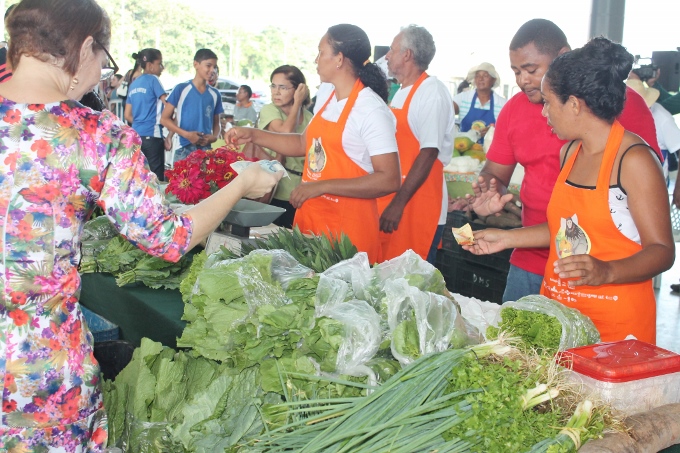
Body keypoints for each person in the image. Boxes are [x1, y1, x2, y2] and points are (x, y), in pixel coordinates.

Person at [0, 0, 281, 449]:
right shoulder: (94, 136)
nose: (101, 75)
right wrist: (242, 182)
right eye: (103, 60)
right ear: (86, 46)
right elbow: (170, 237)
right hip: (42, 374)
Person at [463, 37, 674, 344]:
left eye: (549, 102)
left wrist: (607, 271)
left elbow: (663, 251)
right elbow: (567, 230)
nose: (544, 112)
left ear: (574, 104)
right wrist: (506, 239)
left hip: (615, 325)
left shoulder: (634, 160)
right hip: (561, 313)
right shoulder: (570, 152)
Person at [227, 24, 400, 263]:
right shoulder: (330, 99)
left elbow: (389, 178)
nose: (315, 60)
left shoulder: (370, 109)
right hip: (313, 226)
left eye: (320, 52)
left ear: (339, 58)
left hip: (347, 238)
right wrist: (254, 135)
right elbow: (302, 143)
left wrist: (321, 186)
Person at [379, 25, 455, 264]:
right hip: (398, 203)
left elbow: (429, 152)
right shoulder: (401, 91)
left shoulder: (431, 91)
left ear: (407, 55)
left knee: (414, 286)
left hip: (417, 206)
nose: (387, 57)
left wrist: (398, 204)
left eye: (392, 50)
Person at [257, 65, 314, 228]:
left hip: (302, 190)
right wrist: (297, 103)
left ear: (298, 89)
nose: (276, 92)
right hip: (275, 189)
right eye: (273, 86)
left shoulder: (310, 118)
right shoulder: (269, 110)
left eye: (282, 87)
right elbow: (285, 132)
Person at [161, 48, 223, 163]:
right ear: (196, 64)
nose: (212, 70)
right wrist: (187, 135)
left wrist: (214, 137)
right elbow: (164, 119)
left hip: (205, 150)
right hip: (183, 148)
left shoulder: (215, 94)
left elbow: (216, 123)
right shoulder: (181, 89)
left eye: (214, 67)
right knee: (181, 181)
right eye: (208, 66)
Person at [124, 48, 168, 181]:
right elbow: (167, 103)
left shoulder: (134, 84)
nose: (162, 67)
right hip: (153, 135)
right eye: (159, 64)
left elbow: (127, 114)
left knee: (141, 176)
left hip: (137, 136)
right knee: (156, 178)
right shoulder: (153, 79)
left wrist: (139, 122)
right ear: (150, 65)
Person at [452, 62, 506, 143]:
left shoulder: (502, 104)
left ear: (493, 80)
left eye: (485, 75)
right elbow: (446, 111)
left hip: (490, 152)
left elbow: (507, 131)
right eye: (477, 76)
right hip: (464, 151)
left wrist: (493, 132)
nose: (480, 79)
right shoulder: (463, 98)